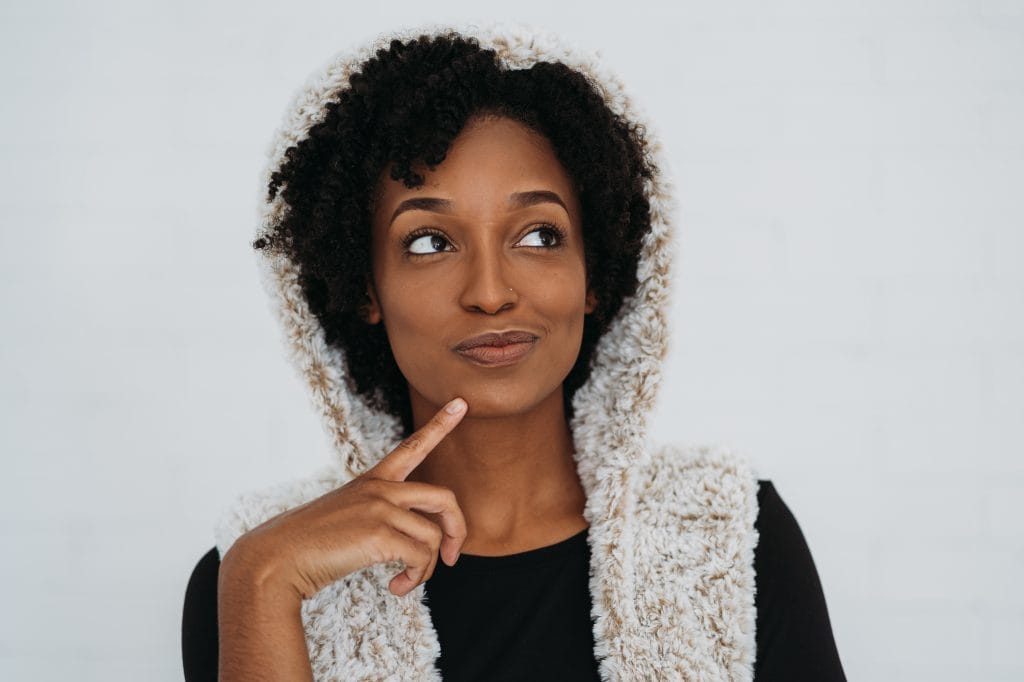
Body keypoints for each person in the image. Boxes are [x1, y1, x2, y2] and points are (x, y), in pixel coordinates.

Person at [181, 23, 846, 681]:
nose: (491, 293)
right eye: (428, 242)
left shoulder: (730, 533)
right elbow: (261, 578)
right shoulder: (261, 569)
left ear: (594, 273)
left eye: (538, 235)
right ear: (365, 289)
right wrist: (261, 581)